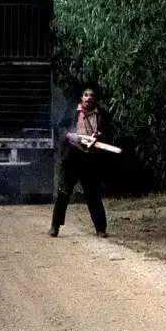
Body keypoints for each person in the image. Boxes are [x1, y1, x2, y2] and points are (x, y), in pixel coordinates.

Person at [49, 87, 110, 238]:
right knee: (64, 192)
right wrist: (69, 135)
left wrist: (99, 135)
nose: (88, 98)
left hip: (90, 158)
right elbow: (60, 128)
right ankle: (55, 226)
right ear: (81, 98)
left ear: (95, 99)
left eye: (91, 95)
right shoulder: (72, 112)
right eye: (86, 95)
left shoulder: (101, 114)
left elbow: (107, 134)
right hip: (72, 157)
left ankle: (100, 229)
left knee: (93, 194)